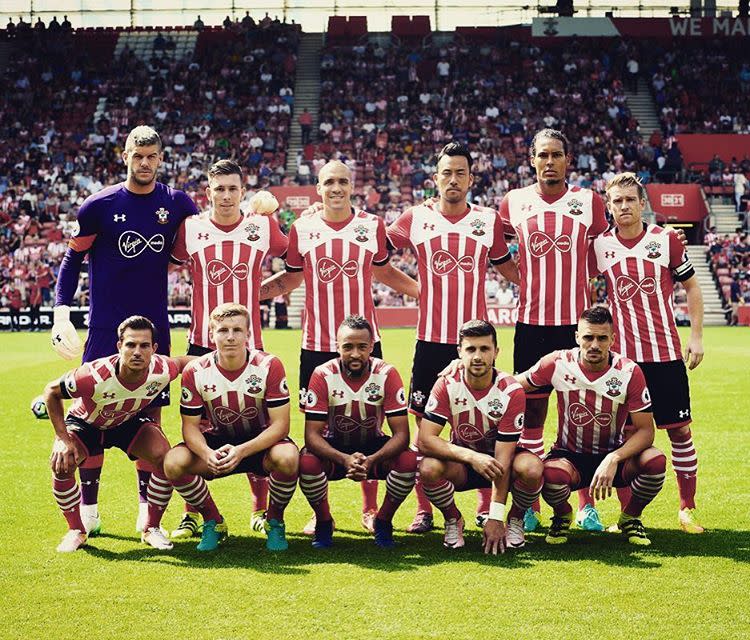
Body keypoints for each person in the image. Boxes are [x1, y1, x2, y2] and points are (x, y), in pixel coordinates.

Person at [51, 125, 198, 536]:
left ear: (161, 159)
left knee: (149, 417)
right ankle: (90, 511)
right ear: (125, 156)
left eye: (152, 156)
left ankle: (145, 513)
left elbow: (202, 243)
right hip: (103, 329)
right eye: (138, 156)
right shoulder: (98, 205)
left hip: (155, 329)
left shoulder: (178, 203)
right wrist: (62, 313)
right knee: (93, 415)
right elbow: (71, 260)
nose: (145, 163)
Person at [261, 160, 418, 534]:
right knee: (318, 427)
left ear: (353, 187)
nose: (336, 188)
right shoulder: (302, 228)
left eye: (342, 182)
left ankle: (368, 508)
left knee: (371, 423)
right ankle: (320, 512)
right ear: (318, 188)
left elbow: (383, 271)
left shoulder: (371, 226)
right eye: (329, 182)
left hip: (366, 342)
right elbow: (292, 278)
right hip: (317, 344)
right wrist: (252, 294)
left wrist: (422, 292)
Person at [387, 141, 519, 533]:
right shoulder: (415, 217)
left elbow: (509, 268)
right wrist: (418, 290)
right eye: (447, 172)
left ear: (471, 179)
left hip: (475, 341)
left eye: (461, 172)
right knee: (421, 425)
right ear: (436, 178)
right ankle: (425, 509)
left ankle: (483, 505)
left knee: (485, 418)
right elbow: (376, 256)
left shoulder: (488, 220)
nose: (453, 179)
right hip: (430, 341)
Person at [168, 159, 288, 539]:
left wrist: (261, 293)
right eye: (218, 188)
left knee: (256, 421)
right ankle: (193, 512)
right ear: (208, 192)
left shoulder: (261, 226)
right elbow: (165, 263)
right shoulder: (192, 229)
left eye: (232, 188)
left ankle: (260, 508)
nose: (225, 195)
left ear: (242, 190)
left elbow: (296, 258)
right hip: (202, 341)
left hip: (250, 341)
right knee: (198, 424)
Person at [499, 128, 609, 533]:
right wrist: (525, 280)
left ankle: (585, 507)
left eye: (556, 155)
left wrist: (576, 277)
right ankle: (529, 505)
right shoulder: (514, 202)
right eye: (542, 155)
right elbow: (498, 251)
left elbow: (600, 254)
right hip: (530, 323)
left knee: (582, 413)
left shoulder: (588, 202)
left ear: (568, 159)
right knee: (532, 409)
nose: (549, 162)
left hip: (575, 325)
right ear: (532, 160)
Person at [593, 172, 705, 533]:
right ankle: (629, 517)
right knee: (627, 440)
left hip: (667, 357)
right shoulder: (600, 247)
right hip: (625, 366)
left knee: (680, 433)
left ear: (642, 203)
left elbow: (692, 287)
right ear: (609, 207)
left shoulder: (666, 240)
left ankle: (686, 509)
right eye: (616, 201)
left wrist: (697, 337)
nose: (623, 206)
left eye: (630, 200)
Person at [42, 316, 199, 552]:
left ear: (154, 349)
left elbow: (189, 362)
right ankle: (76, 530)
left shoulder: (162, 368)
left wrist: (225, 360)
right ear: (119, 347)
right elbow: (51, 391)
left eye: (144, 345)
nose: (137, 352)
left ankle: (151, 528)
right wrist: (62, 439)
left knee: (165, 457)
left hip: (127, 422)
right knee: (62, 464)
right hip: (88, 424)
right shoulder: (93, 375)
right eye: (130, 345)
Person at [516, 306, 667, 546]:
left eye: (602, 338)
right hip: (568, 456)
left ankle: (630, 517)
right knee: (550, 475)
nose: (594, 344)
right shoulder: (557, 362)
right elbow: (510, 385)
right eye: (588, 337)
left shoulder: (629, 372)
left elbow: (647, 431)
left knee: (655, 461)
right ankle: (563, 514)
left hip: (613, 455)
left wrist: (613, 459)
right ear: (577, 337)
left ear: (612, 340)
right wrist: (464, 369)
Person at [164, 303, 298, 552]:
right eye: (223, 330)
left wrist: (242, 451)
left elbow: (281, 425)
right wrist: (206, 454)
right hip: (217, 444)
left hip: (260, 445)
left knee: (289, 457)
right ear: (212, 334)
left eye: (237, 330)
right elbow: (190, 428)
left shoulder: (269, 365)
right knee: (173, 462)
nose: (230, 336)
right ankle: (212, 521)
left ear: (248, 334)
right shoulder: (195, 370)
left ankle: (274, 520)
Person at [418, 320, 541, 552]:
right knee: (428, 468)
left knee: (532, 468)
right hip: (464, 464)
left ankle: (515, 519)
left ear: (496, 352)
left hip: (502, 462)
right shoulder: (446, 384)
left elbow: (503, 458)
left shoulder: (510, 390)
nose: (477, 356)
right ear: (459, 353)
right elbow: (425, 439)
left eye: (484, 349)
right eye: (470, 349)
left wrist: (495, 516)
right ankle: (453, 519)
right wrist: (473, 457)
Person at [298, 315, 417, 548]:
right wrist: (344, 459)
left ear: (371, 347)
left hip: (374, 446)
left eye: (362, 347)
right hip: (335, 449)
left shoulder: (386, 374)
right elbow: (311, 435)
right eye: (348, 347)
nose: (355, 354)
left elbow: (402, 435)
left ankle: (383, 521)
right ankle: (323, 522)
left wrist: (372, 460)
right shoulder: (322, 374)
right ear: (337, 347)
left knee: (408, 459)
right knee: (307, 463)